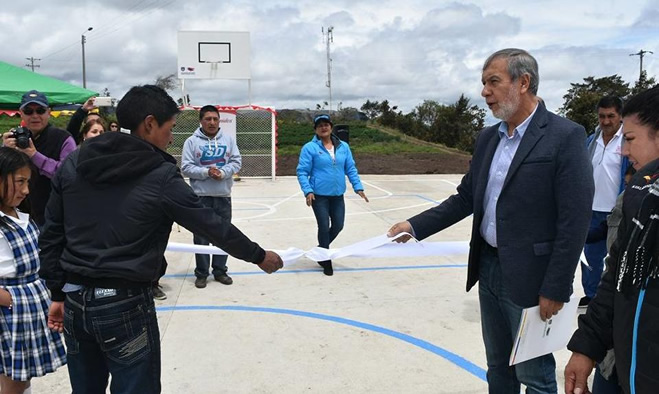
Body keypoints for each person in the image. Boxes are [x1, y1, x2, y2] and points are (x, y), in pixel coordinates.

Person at [38, 85, 283, 393]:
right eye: (170, 128)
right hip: (125, 305)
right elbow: (210, 224)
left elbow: (51, 234)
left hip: (75, 302)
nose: (171, 138)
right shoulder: (159, 173)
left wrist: (57, 293)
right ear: (150, 124)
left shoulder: (74, 162)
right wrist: (259, 256)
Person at [387, 48, 594, 393]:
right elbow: (466, 198)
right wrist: (415, 225)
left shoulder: (565, 136)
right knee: (498, 367)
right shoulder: (488, 138)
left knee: (535, 376)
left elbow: (574, 220)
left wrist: (556, 286)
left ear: (523, 82)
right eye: (483, 83)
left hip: (532, 278)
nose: (484, 92)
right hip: (489, 267)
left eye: (493, 82)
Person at [565, 86, 659, 394]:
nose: (623, 150)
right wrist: (587, 346)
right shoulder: (638, 195)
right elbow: (615, 279)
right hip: (619, 368)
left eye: (630, 139)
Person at [0, 147, 66, 394]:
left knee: (21, 379)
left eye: (27, 182)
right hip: (11, 316)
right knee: (13, 383)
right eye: (19, 182)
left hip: (27, 312)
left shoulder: (19, 215)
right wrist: (12, 301)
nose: (26, 190)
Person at [296, 114, 369, 276]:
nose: (324, 127)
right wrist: (308, 190)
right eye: (320, 125)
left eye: (326, 124)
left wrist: (358, 187)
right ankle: (325, 259)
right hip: (318, 196)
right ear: (315, 129)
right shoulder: (310, 148)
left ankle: (320, 251)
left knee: (338, 225)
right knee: (323, 226)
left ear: (331, 127)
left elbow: (350, 168)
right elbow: (302, 171)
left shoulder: (343, 147)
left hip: (337, 195)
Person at [182, 105, 242, 289]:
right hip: (200, 197)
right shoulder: (191, 142)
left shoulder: (228, 140)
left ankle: (220, 270)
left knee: (223, 235)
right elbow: (186, 167)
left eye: (215, 119)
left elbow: (237, 161)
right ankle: (201, 273)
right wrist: (206, 172)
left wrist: (223, 173)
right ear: (201, 121)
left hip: (223, 195)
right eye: (208, 119)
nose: (212, 122)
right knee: (201, 236)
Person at [581, 96, 630, 307]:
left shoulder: (627, 141)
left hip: (616, 213)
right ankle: (592, 296)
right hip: (591, 210)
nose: (606, 121)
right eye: (602, 116)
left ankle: (616, 300)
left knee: (617, 258)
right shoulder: (591, 142)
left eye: (611, 116)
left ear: (620, 116)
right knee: (590, 259)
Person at [1, 90, 76, 228]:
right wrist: (4, 150)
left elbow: (70, 175)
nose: (35, 116)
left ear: (48, 112)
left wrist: (35, 156)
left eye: (40, 110)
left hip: (55, 216)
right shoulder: (14, 138)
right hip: (19, 214)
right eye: (29, 111)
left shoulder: (63, 138)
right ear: (21, 113)